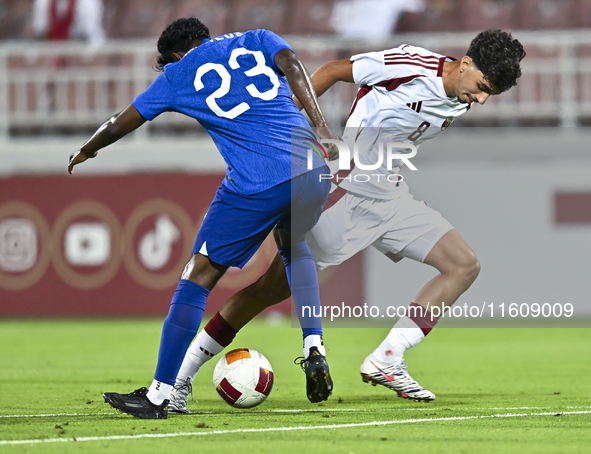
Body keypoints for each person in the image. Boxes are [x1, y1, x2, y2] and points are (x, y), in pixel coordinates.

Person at [169, 29, 525, 412]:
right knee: (268, 290)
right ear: (465, 63)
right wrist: (281, 121)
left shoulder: (461, 98)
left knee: (463, 265)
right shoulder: (411, 65)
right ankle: (179, 378)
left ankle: (387, 358)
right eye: (483, 86)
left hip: (388, 195)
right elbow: (336, 70)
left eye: (491, 94)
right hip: (346, 190)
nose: (482, 99)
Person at [67, 17, 340, 419]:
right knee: (294, 247)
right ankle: (313, 347)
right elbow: (293, 64)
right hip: (313, 167)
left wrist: (88, 149)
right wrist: (321, 126)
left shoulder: (178, 73)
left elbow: (122, 121)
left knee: (199, 274)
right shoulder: (257, 37)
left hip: (260, 178)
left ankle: (160, 394)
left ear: (176, 53)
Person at [32, 0, 105, 48]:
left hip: (84, 48)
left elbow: (87, 36)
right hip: (52, 48)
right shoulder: (43, 2)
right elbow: (40, 33)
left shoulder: (88, 2)